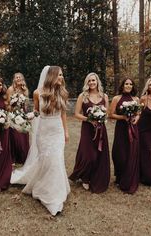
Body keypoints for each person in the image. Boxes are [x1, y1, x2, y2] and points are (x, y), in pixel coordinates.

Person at [21, 66, 70, 216]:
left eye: (62, 75)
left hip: (57, 131)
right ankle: (42, 187)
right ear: (52, 76)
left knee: (56, 160)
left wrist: (66, 131)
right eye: (59, 75)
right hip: (43, 132)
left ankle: (54, 196)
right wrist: (29, 116)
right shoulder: (38, 93)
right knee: (46, 161)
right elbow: (36, 111)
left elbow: (63, 115)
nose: (62, 77)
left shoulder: (62, 92)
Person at [69, 72, 110, 193]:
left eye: (94, 80)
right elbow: (76, 114)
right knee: (88, 155)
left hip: (101, 129)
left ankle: (96, 176)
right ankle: (85, 177)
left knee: (99, 153)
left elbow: (106, 113)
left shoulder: (104, 96)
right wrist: (89, 119)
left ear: (98, 82)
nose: (92, 83)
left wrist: (101, 117)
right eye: (89, 81)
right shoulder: (83, 96)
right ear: (87, 83)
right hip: (87, 128)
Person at [109, 78, 139, 194]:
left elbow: (138, 113)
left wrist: (136, 118)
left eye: (130, 84)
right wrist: (123, 117)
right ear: (122, 85)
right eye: (126, 83)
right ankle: (120, 177)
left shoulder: (136, 99)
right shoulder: (116, 98)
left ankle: (130, 177)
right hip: (121, 129)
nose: (128, 85)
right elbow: (111, 114)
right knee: (119, 153)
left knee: (131, 152)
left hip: (133, 128)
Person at [7, 72, 29, 164]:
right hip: (13, 114)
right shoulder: (10, 89)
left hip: (22, 114)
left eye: (20, 77)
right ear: (14, 79)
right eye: (17, 77)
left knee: (24, 134)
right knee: (15, 136)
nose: (18, 78)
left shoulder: (25, 89)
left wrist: (24, 114)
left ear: (22, 79)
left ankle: (23, 157)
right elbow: (8, 104)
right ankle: (14, 157)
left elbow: (26, 104)